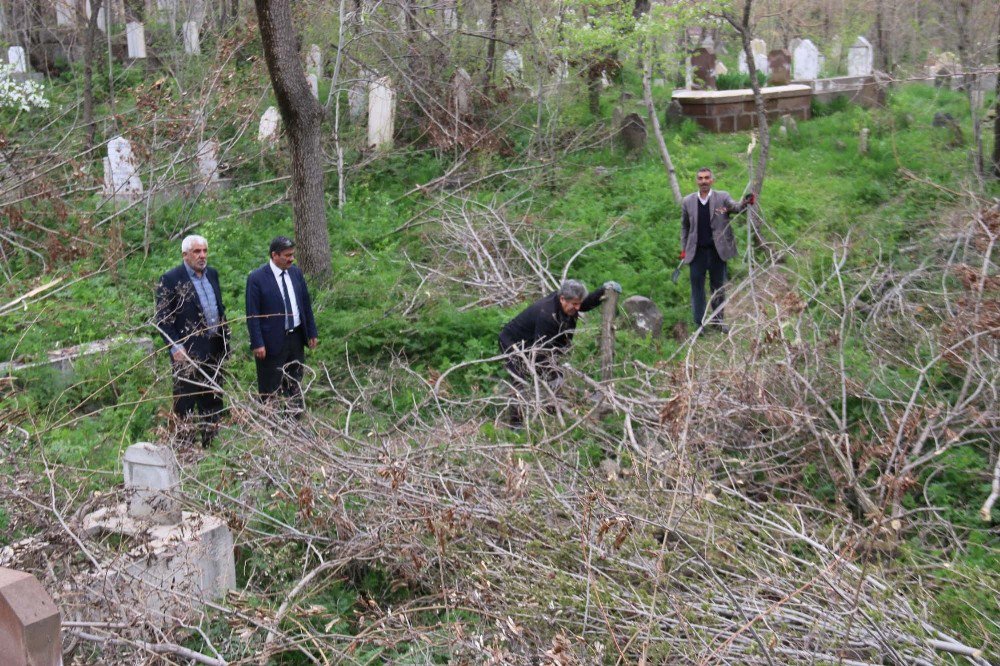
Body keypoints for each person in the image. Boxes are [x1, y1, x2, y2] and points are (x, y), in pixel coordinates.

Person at [498, 279, 621, 426]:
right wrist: (553, 375)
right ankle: (516, 424)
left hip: (537, 341)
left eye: (579, 303)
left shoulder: (569, 304)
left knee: (554, 376)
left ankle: (552, 413)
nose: (578, 307)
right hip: (513, 341)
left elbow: (584, 304)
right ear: (562, 299)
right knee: (520, 381)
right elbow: (541, 353)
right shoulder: (548, 315)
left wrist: (603, 290)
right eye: (575, 304)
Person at [155, 234, 230, 446]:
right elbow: (163, 319)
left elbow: (218, 308)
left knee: (213, 398)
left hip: (214, 348)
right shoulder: (170, 279)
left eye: (205, 250)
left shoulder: (212, 275)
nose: (202, 255)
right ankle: (185, 449)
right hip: (186, 354)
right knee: (185, 402)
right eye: (197, 251)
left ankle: (212, 444)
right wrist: (175, 346)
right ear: (185, 254)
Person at [245, 236, 318, 410]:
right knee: (270, 387)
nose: (291, 258)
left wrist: (311, 332)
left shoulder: (296, 273)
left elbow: (305, 304)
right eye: (287, 255)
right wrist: (258, 343)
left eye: (293, 254)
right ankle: (272, 427)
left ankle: (295, 425)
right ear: (274, 255)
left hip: (296, 338)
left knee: (294, 384)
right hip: (270, 343)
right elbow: (252, 314)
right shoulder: (257, 278)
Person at [680, 168, 755, 333]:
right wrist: (683, 249)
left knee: (718, 288)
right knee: (697, 289)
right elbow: (685, 227)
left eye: (707, 178)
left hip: (717, 252)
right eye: (700, 178)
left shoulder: (722, 197)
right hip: (697, 253)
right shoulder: (688, 201)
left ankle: (718, 322)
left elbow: (736, 208)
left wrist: (745, 202)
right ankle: (699, 324)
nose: (704, 181)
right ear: (697, 181)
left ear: (712, 180)